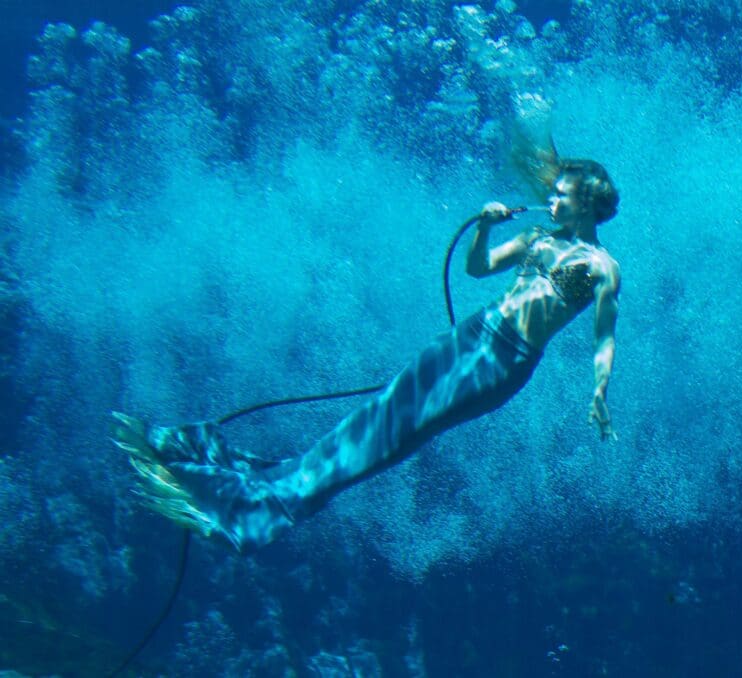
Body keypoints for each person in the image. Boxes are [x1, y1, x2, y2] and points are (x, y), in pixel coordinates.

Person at [112, 155, 621, 552]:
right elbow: (477, 268)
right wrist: (486, 225)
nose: (551, 201)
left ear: (589, 203)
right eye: (552, 193)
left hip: (501, 364)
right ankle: (240, 479)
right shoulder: (535, 237)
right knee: (374, 417)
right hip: (475, 333)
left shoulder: (602, 266)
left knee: (393, 437)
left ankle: (255, 511)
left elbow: (604, 333)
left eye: (562, 195)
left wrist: (599, 388)